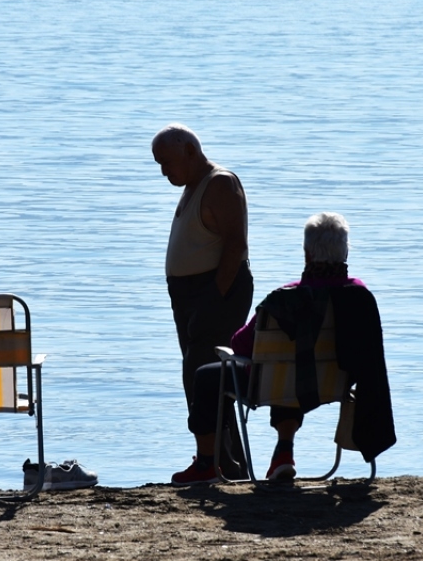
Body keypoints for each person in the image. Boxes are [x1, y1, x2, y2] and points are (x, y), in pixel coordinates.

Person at [174, 212, 396, 485]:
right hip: (334, 383)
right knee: (295, 367)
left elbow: (240, 344)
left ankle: (208, 463)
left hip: (274, 384)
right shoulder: (359, 297)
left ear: (307, 254)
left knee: (209, 375)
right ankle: (283, 453)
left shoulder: (283, 300)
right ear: (345, 251)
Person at [152, 123, 253, 481]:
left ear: (190, 151)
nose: (163, 171)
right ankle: (227, 462)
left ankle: (211, 463)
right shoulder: (195, 186)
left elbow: (236, 246)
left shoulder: (220, 183)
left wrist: (212, 302)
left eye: (166, 162)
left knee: (203, 376)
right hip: (192, 297)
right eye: (158, 164)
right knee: (204, 379)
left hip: (214, 294)